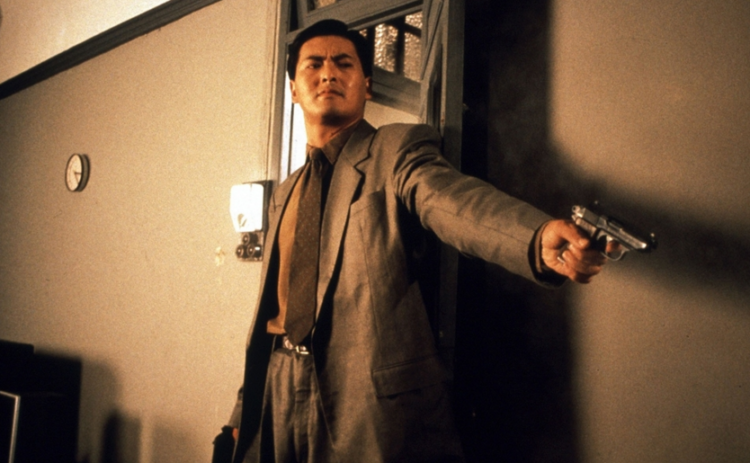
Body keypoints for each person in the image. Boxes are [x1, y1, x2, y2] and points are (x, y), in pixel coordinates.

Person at [219, 19, 611, 463]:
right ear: (293, 89)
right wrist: (242, 410)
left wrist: (534, 239)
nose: (328, 73)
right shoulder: (286, 192)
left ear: (367, 86)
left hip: (362, 398)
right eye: (314, 64)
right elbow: (271, 306)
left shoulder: (395, 150)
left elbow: (451, 202)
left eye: (343, 63)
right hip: (276, 386)